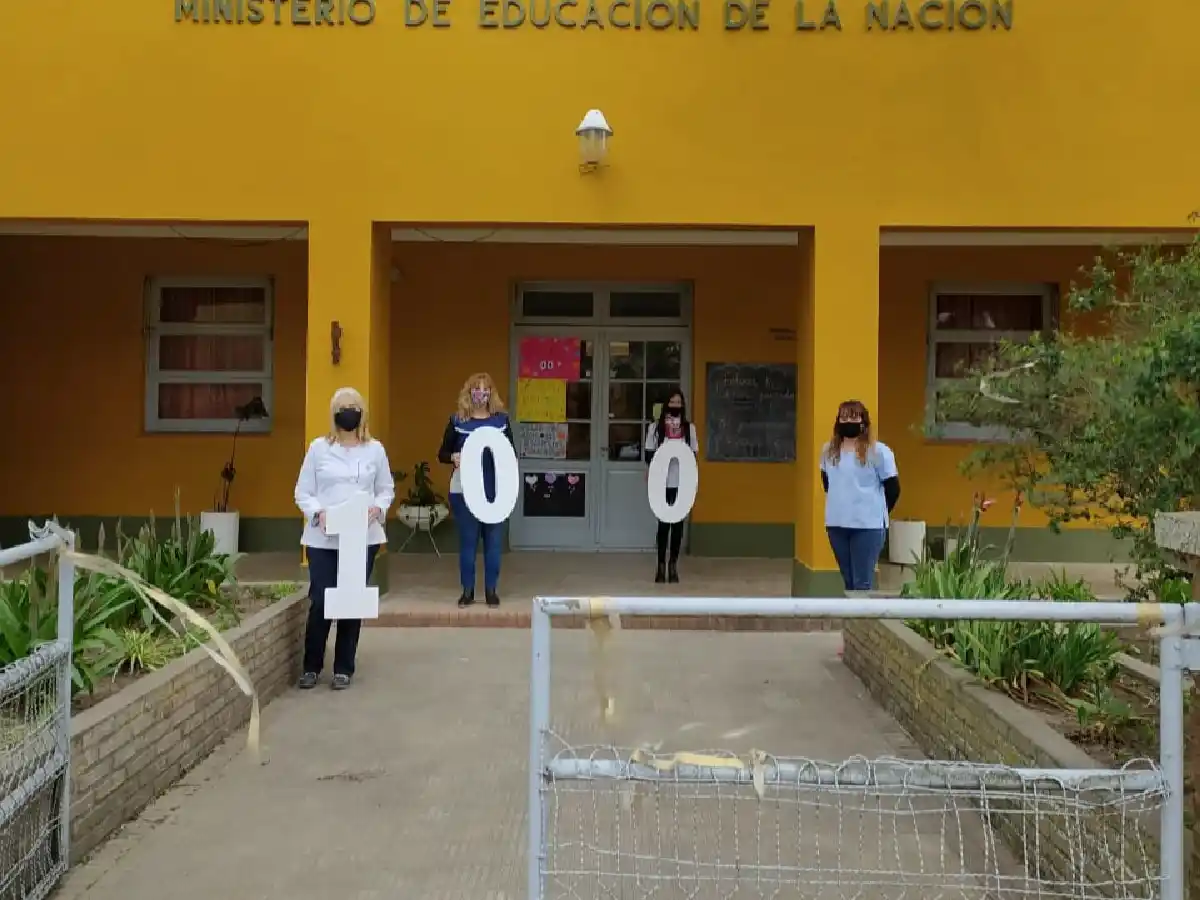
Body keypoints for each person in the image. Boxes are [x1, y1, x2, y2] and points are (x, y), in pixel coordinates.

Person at [293, 387, 395, 691]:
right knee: (321, 600)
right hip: (323, 539)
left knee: (351, 602)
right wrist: (319, 514)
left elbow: (386, 489)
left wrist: (378, 508)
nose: (348, 411)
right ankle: (312, 666)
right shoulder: (319, 449)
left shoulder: (375, 450)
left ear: (362, 413)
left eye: (353, 406)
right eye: (342, 407)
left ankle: (343, 668)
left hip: (362, 538)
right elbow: (303, 491)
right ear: (334, 414)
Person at [437, 372, 514, 608]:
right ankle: (467, 591)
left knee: (493, 543)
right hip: (464, 490)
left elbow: (511, 454)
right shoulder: (457, 421)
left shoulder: (501, 421)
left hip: (496, 491)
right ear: (468, 392)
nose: (481, 393)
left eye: (485, 389)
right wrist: (453, 457)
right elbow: (442, 454)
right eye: (476, 389)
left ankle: (491, 590)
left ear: (492, 392)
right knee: (468, 543)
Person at [820, 399, 900, 593]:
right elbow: (827, 483)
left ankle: (863, 613)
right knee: (848, 581)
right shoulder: (828, 451)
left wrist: (875, 511)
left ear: (864, 422)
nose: (849, 422)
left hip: (867, 527)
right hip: (837, 525)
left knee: (862, 583)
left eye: (854, 417)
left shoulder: (879, 452)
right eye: (844, 417)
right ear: (838, 422)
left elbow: (893, 488)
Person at [644, 388, 699, 584]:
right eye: (672, 402)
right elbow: (649, 454)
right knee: (663, 525)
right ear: (666, 404)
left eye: (679, 402)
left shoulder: (689, 429)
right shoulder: (655, 428)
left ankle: (673, 564)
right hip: (661, 483)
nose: (675, 405)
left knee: (677, 526)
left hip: (681, 483)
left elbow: (693, 455)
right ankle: (660, 565)